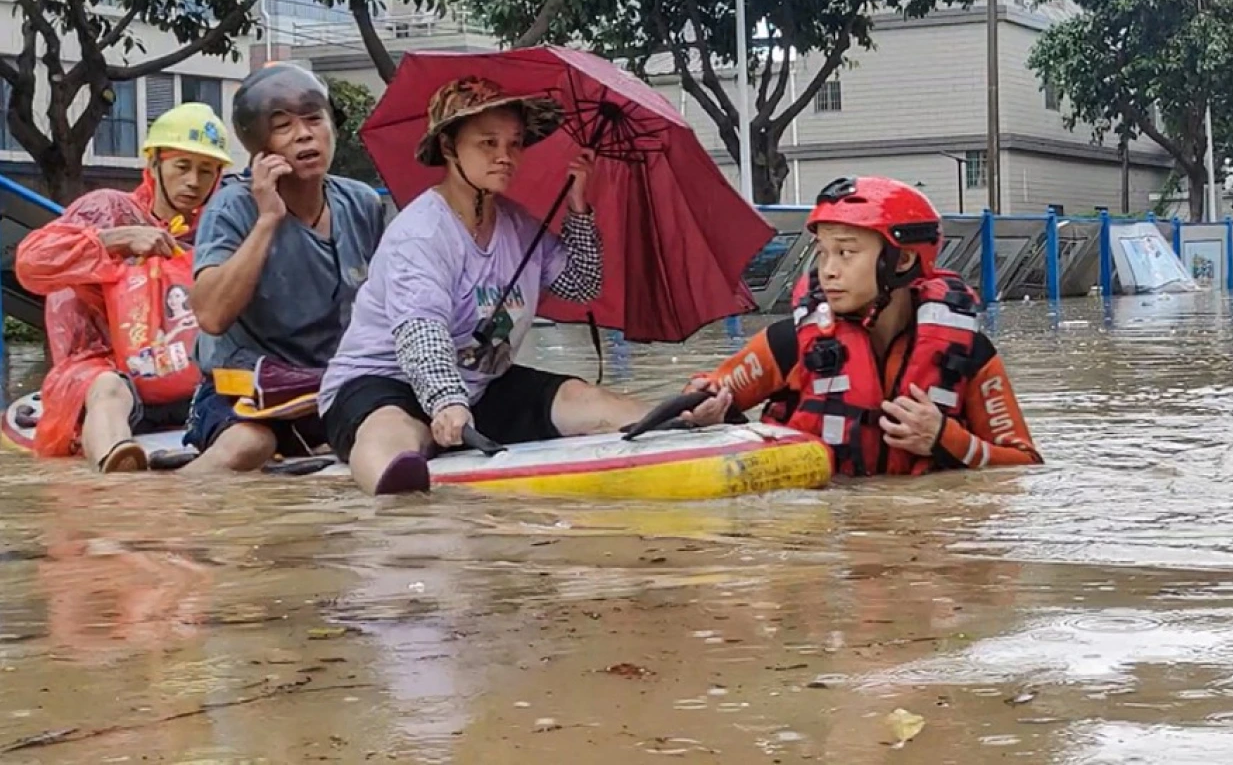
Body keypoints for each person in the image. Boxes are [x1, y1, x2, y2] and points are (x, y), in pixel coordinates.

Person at [319, 76, 731, 495]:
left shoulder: (519, 225)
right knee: (395, 431)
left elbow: (580, 286)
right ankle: (397, 497)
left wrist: (578, 208)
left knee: (580, 397)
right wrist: (446, 402)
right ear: (448, 147)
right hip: (383, 382)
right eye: (488, 143)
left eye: (514, 144)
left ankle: (685, 420)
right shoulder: (421, 233)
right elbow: (420, 333)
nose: (505, 157)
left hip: (480, 385)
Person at [688, 176, 1042, 476]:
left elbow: (1025, 464)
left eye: (845, 253)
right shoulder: (789, 343)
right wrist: (706, 416)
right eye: (822, 252)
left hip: (920, 544)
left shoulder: (969, 353)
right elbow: (702, 397)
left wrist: (946, 438)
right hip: (822, 543)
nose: (827, 270)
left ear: (901, 260)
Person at [181, 63, 384, 473]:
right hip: (245, 390)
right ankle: (160, 517)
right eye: (283, 125)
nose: (305, 134)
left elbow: (386, 308)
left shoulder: (362, 203)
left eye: (314, 118)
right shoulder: (232, 206)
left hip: (330, 386)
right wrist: (267, 219)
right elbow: (211, 315)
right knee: (249, 444)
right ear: (260, 148)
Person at [15, 103, 234, 471]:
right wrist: (116, 240)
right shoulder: (107, 207)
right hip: (102, 369)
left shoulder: (217, 230)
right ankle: (116, 469)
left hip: (188, 374)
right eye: (182, 167)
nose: (194, 182)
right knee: (108, 389)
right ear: (154, 165)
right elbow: (30, 263)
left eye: (206, 171)